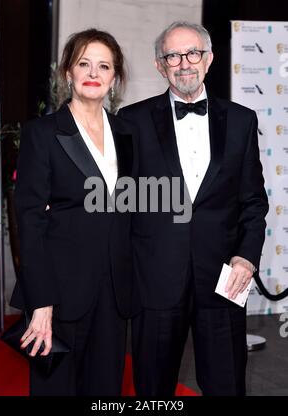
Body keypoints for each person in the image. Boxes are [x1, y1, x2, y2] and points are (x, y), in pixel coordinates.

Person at [119, 21, 268, 396]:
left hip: (222, 281)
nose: (184, 63)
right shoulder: (131, 122)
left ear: (209, 58)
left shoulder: (241, 120)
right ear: (159, 64)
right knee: (153, 389)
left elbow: (253, 203)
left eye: (193, 53)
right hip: (155, 283)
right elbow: (121, 201)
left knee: (226, 384)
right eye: (173, 55)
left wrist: (246, 259)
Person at [10, 28, 138, 396]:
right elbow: (30, 222)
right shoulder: (43, 133)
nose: (93, 73)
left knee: (105, 390)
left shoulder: (126, 134)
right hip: (61, 291)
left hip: (114, 291)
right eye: (84, 63)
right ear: (68, 72)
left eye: (104, 66)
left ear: (114, 78)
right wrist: (42, 301)